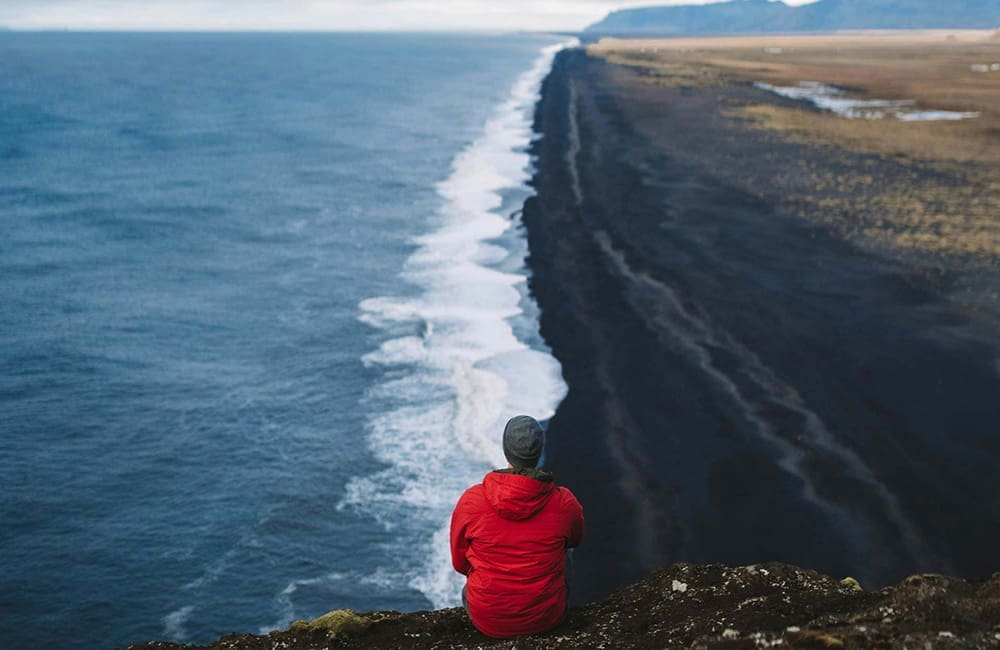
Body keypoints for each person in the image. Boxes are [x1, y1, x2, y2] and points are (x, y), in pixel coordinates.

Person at [449, 415, 584, 639]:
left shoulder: (472, 501)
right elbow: (576, 539)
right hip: (547, 618)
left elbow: (460, 562)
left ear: (505, 449)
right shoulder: (564, 503)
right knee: (565, 547)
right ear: (539, 451)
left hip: (487, 620)